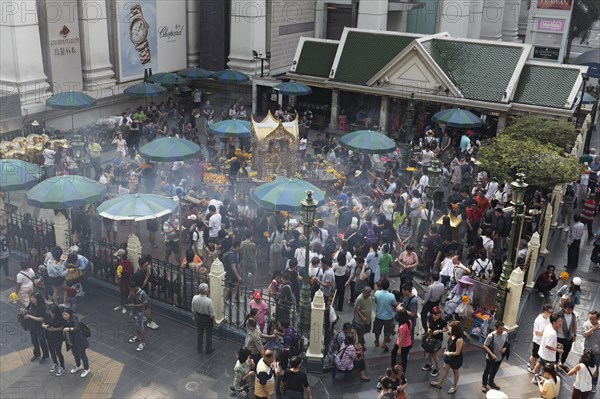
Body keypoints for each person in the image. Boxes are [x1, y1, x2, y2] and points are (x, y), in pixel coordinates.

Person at [431, 321, 464, 394]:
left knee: (455, 372)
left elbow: (457, 352)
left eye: (451, 327)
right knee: (445, 369)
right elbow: (449, 345)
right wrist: (446, 350)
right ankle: (440, 383)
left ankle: (454, 386)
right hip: (448, 356)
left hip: (456, 359)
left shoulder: (459, 340)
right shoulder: (451, 335)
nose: (449, 328)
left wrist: (448, 353)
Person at [533, 313, 564, 381]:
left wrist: (556, 343)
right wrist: (559, 350)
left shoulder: (548, 326)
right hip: (548, 357)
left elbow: (547, 339)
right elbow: (547, 345)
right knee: (548, 371)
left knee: (539, 364)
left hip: (542, 352)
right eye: (559, 321)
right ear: (554, 322)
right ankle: (546, 382)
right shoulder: (552, 333)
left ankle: (535, 378)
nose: (561, 323)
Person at [62, 307, 90, 378]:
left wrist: (69, 329)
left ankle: (86, 369)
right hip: (71, 341)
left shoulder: (74, 319)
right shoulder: (65, 320)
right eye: (63, 315)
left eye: (65, 315)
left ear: (70, 314)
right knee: (75, 354)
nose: (64, 316)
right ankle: (78, 366)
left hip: (79, 342)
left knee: (83, 355)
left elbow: (77, 328)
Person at [22, 292, 49, 363]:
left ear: (37, 299)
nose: (31, 299)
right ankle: (37, 354)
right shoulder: (31, 304)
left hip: (40, 326)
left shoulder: (42, 306)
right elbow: (27, 310)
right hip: (32, 325)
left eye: (33, 298)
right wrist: (24, 311)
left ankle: (46, 355)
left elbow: (41, 319)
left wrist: (30, 316)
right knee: (34, 340)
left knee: (42, 341)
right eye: (31, 297)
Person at [481, 320, 508, 393]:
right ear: (496, 328)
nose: (502, 330)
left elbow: (506, 343)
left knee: (494, 371)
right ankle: (484, 384)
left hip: (499, 357)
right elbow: (485, 345)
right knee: (487, 371)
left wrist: (505, 348)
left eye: (503, 328)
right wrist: (492, 354)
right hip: (490, 358)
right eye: (500, 329)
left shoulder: (505, 334)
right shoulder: (491, 336)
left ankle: (491, 382)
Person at [422, 306, 447, 377]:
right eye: (435, 315)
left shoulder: (442, 321)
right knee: (430, 351)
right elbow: (427, 321)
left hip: (438, 340)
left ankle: (437, 368)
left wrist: (439, 331)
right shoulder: (430, 317)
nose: (436, 316)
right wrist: (428, 328)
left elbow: (446, 329)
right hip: (431, 338)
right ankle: (430, 364)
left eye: (438, 315)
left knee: (434, 354)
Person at [529, 304, 554, 373]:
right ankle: (531, 368)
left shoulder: (548, 318)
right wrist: (546, 333)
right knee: (534, 355)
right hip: (537, 341)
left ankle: (534, 366)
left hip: (543, 341)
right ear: (545, 312)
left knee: (540, 355)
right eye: (550, 313)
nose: (551, 314)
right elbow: (537, 333)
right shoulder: (538, 320)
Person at [373, 279, 396, 352]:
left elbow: (376, 301)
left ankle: (377, 340)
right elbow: (394, 304)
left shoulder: (377, 293)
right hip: (388, 316)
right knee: (388, 331)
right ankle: (384, 342)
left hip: (379, 315)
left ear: (381, 286)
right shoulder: (391, 296)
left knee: (377, 329)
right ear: (388, 286)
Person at [42, 304, 66, 376]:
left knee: (58, 352)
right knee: (51, 351)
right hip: (48, 336)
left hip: (58, 337)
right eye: (50, 312)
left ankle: (62, 366)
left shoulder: (60, 318)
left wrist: (55, 329)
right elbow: (43, 322)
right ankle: (55, 363)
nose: (51, 314)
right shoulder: (47, 315)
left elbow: (62, 326)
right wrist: (44, 326)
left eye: (52, 313)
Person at [191, 283, 215, 354]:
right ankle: (208, 349)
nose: (208, 290)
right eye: (207, 289)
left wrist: (195, 315)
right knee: (208, 334)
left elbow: (193, 309)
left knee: (199, 333)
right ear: (205, 291)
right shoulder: (208, 301)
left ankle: (199, 348)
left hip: (198, 317)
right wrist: (213, 321)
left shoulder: (195, 298)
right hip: (207, 319)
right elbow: (212, 314)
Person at [126, 280, 149, 351]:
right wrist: (130, 296)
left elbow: (145, 304)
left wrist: (134, 305)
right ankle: (137, 337)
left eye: (131, 289)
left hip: (139, 313)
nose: (130, 290)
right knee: (135, 325)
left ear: (135, 287)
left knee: (140, 328)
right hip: (133, 311)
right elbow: (129, 299)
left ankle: (142, 343)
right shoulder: (132, 291)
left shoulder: (142, 293)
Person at [582, 310, 600, 393]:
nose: (591, 321)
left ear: (598, 319)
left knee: (595, 369)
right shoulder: (586, 324)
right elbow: (584, 334)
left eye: (593, 319)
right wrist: (593, 328)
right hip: (587, 350)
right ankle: (584, 382)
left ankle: (594, 385)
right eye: (590, 319)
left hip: (597, 352)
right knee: (585, 367)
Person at [556, 301, 578, 372]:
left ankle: (562, 363)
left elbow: (574, 325)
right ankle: (555, 364)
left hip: (569, 337)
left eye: (571, 309)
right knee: (557, 352)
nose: (569, 311)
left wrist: (574, 334)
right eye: (568, 309)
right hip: (559, 337)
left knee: (566, 351)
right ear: (564, 308)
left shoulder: (574, 315)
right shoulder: (559, 315)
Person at [113, 248, 133, 314]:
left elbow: (130, 271)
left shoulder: (127, 262)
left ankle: (125, 306)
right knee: (121, 293)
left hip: (125, 281)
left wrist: (122, 272)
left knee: (125, 294)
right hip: (121, 281)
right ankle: (121, 305)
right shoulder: (120, 261)